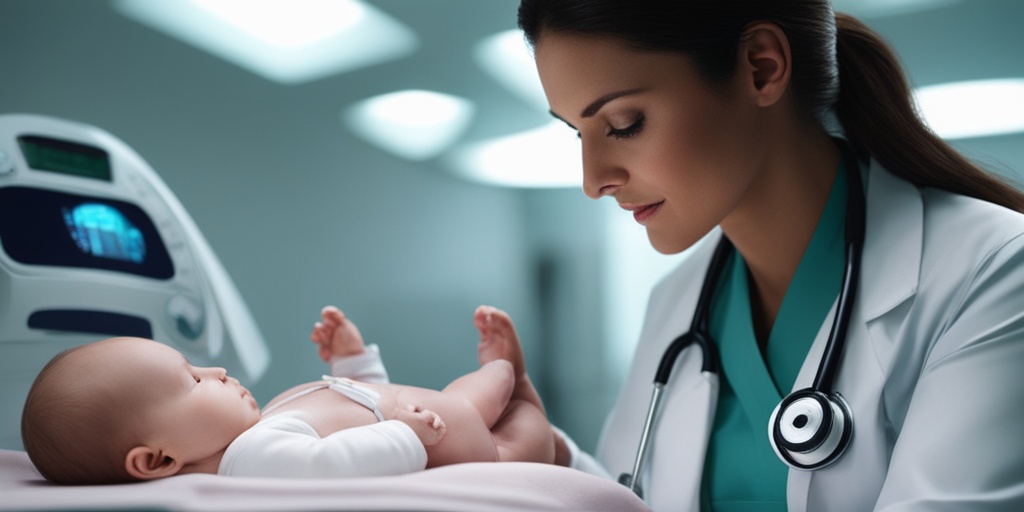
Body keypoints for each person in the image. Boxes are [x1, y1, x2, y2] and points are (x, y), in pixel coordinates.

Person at [518, 1, 1024, 511]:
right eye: (577, 133)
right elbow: (633, 497)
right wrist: (553, 461)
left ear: (762, 67)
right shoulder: (676, 303)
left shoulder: (994, 272)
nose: (593, 181)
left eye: (624, 124)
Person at [21, 305, 557, 485]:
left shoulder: (256, 433)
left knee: (492, 384)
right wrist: (404, 433)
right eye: (192, 378)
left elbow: (354, 411)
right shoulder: (253, 459)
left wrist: (352, 363)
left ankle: (513, 379)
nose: (217, 369)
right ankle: (523, 389)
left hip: (435, 412)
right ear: (159, 458)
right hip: (467, 448)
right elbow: (336, 462)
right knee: (530, 434)